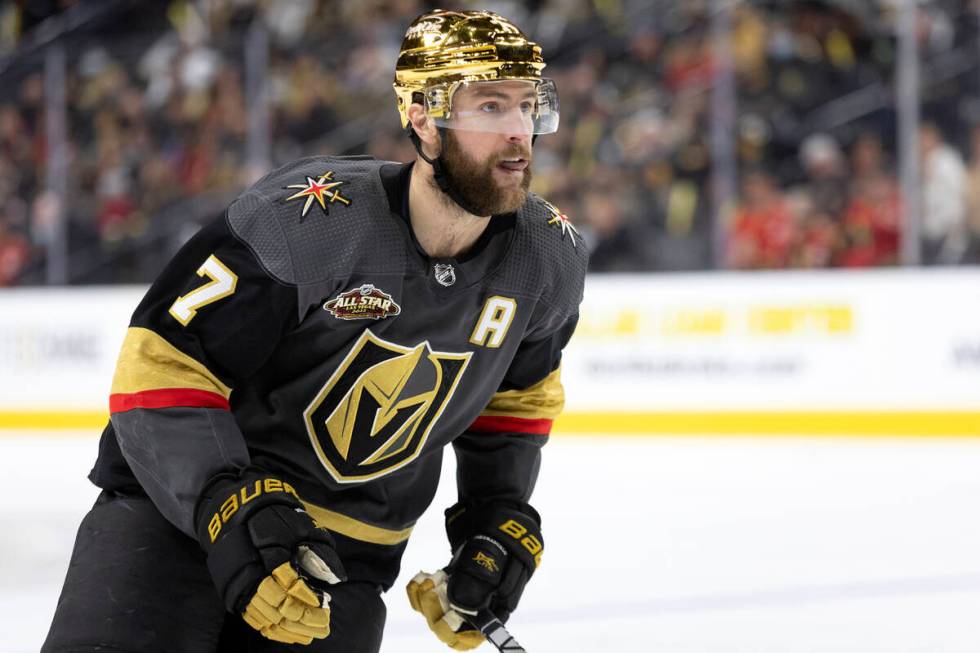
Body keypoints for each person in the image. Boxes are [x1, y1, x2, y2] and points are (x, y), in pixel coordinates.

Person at [43, 9, 587, 653]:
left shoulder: (545, 259)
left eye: (529, 107)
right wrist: (224, 500)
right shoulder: (310, 219)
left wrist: (493, 520)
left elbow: (517, 405)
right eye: (490, 107)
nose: (519, 133)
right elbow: (162, 365)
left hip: (343, 563)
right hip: (174, 524)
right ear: (422, 119)